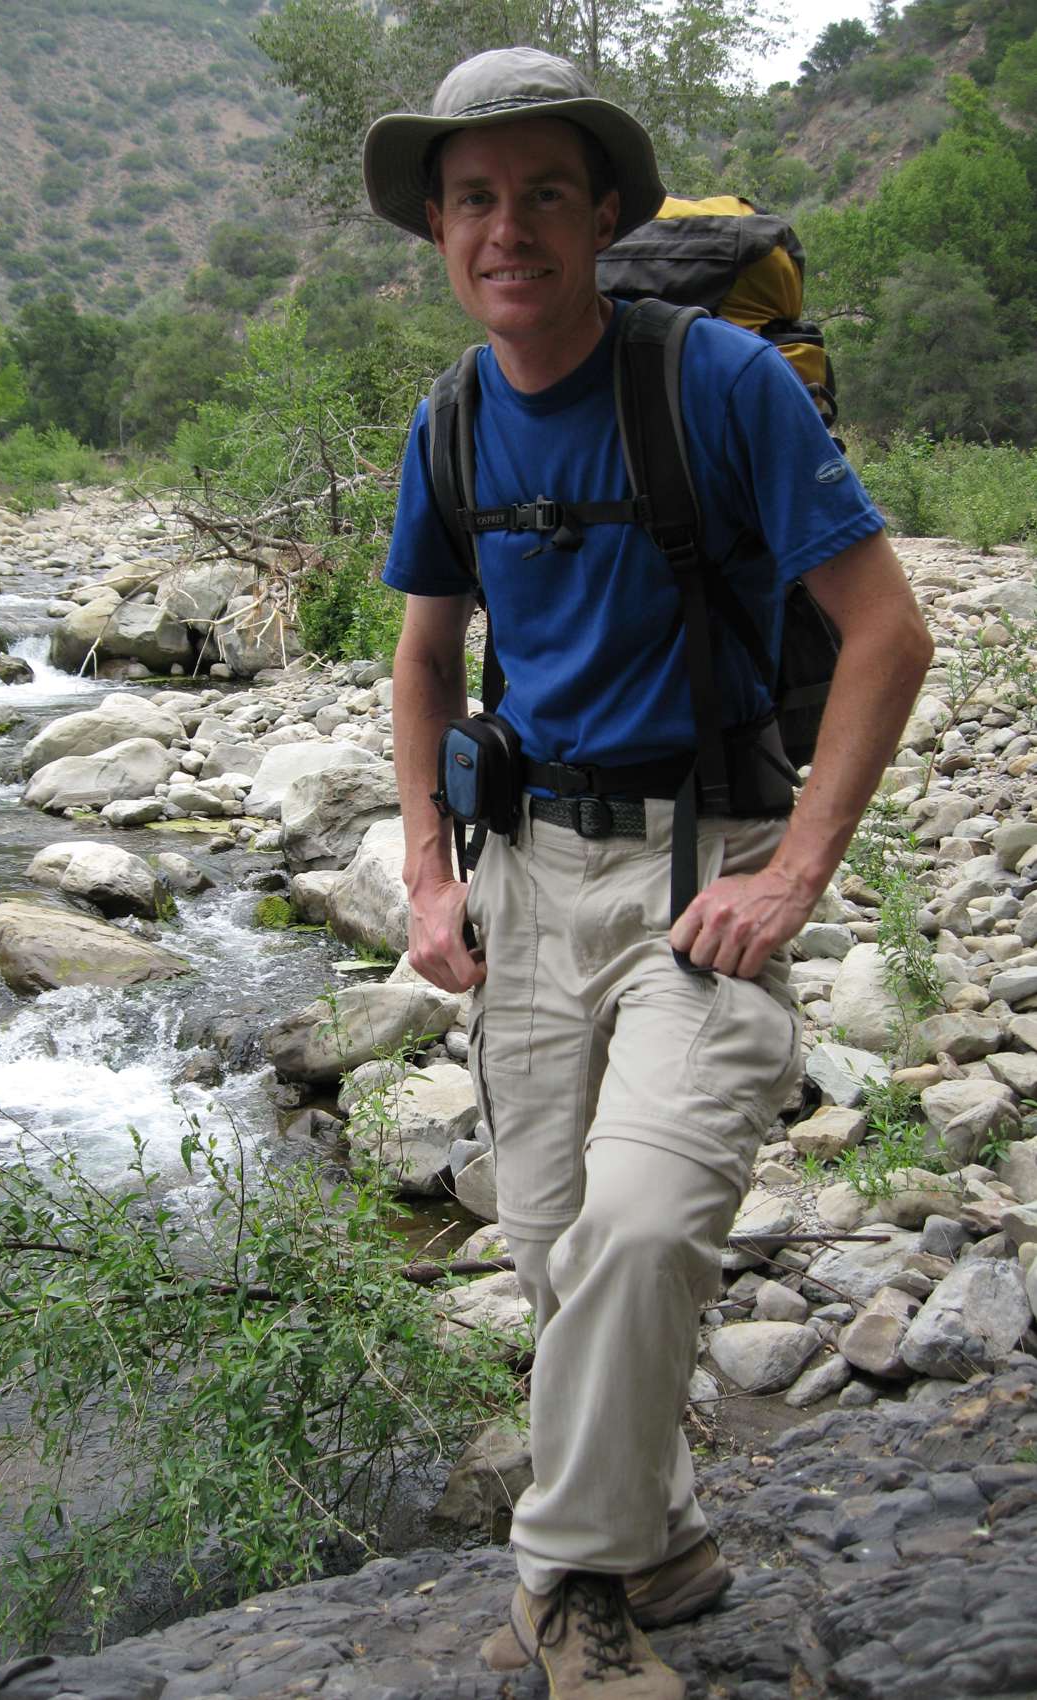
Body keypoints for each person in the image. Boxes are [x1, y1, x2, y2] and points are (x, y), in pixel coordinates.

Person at [363, 45, 934, 1700]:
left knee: (638, 1224)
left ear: (604, 212)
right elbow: (425, 659)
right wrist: (428, 874)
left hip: (706, 876)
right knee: (555, 1255)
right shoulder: (452, 424)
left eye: (545, 192)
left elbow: (887, 632)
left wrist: (798, 876)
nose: (509, 229)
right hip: (529, 881)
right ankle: (662, 1535)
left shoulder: (717, 386)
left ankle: (562, 1582)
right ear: (439, 229)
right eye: (476, 200)